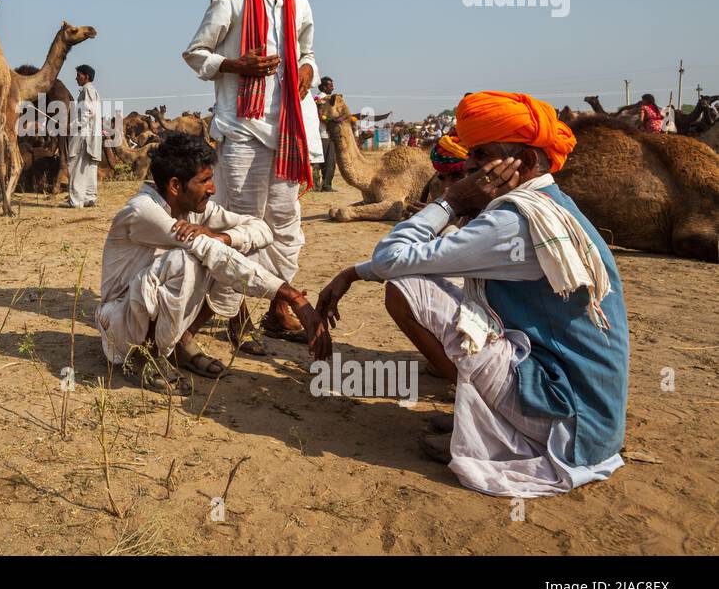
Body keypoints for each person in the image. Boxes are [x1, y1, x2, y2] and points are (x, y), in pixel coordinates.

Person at [315, 92, 629, 498]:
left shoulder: (515, 221)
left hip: (569, 421)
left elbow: (395, 260)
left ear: (526, 164)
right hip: (585, 409)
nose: (469, 167)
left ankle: (505, 439)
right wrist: (354, 273)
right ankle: (489, 421)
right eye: (471, 155)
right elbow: (426, 256)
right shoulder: (548, 203)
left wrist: (451, 201)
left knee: (411, 288)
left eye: (483, 155)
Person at [182, 0, 316, 353]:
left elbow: (308, 54)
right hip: (241, 129)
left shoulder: (300, 5)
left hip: (286, 134)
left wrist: (308, 72)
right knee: (238, 224)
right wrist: (238, 65)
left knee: (284, 226)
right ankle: (235, 317)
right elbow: (197, 54)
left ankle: (278, 310)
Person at [96, 134, 327, 394]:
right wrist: (292, 296)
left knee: (231, 249)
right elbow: (208, 250)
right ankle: (143, 356)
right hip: (120, 323)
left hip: (144, 311)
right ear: (175, 185)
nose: (213, 189)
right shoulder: (142, 211)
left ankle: (181, 342)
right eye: (204, 180)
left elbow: (262, 230)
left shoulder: (196, 209)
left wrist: (224, 236)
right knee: (190, 259)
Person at [66, 64, 101, 207]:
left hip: (84, 135)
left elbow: (87, 113)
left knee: (78, 166)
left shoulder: (87, 91)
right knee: (90, 166)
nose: (76, 78)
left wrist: (72, 126)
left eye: (78, 75)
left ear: (86, 76)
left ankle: (75, 201)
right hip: (92, 134)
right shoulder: (92, 91)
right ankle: (89, 197)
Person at [314, 76, 337, 191]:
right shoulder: (322, 100)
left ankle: (317, 185)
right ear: (324, 87)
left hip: (319, 134)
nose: (333, 88)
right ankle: (326, 185)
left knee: (318, 160)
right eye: (330, 85)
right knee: (329, 161)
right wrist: (334, 121)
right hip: (325, 134)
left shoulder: (317, 98)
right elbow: (321, 116)